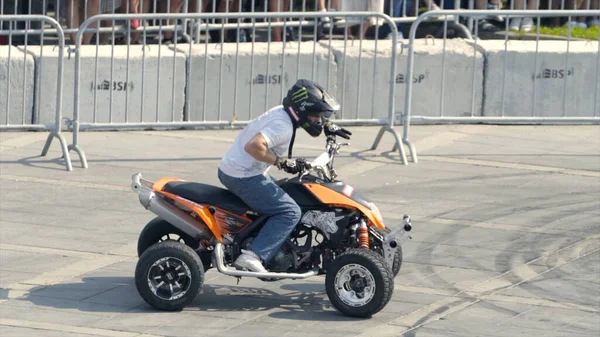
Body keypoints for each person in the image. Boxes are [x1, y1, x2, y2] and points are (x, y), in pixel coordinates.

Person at [217, 79, 352, 273]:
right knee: (290, 212)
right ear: (303, 112)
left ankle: (268, 238)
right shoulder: (283, 126)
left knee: (289, 192)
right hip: (242, 175)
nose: (319, 120)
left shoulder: (286, 112)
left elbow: (306, 117)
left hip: (243, 169)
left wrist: (327, 125)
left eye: (322, 117)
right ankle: (253, 255)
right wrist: (280, 162)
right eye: (317, 116)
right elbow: (254, 146)